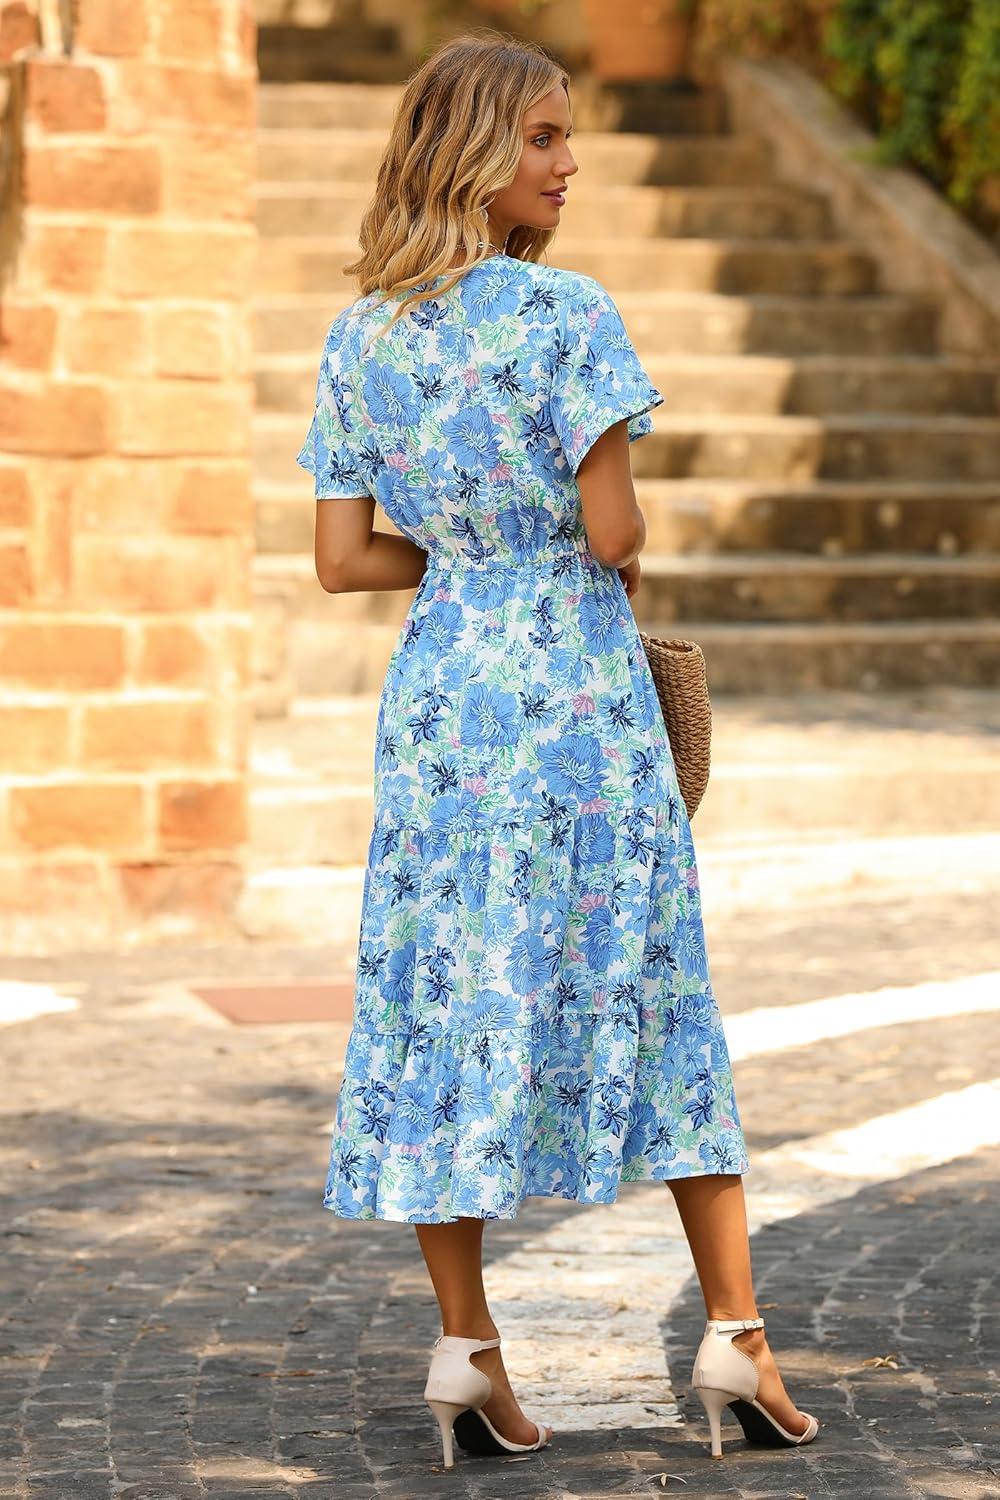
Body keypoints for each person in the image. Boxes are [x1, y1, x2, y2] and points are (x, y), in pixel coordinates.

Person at [296, 26, 820, 1471]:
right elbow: (611, 532)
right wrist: (596, 547)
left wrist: (466, 559)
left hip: (442, 706)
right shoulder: (567, 314)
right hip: (576, 704)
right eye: (542, 138)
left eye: (566, 135)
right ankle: (737, 1336)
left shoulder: (359, 337)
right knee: (655, 989)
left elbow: (341, 561)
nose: (569, 163)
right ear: (472, 154)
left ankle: (466, 1352)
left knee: (439, 1000)